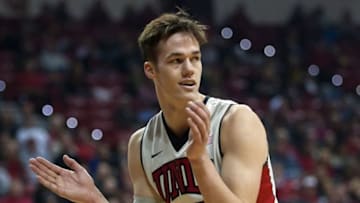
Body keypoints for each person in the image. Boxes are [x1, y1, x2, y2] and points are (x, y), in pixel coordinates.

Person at [29, 9, 278, 203]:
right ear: (151, 70)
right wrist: (95, 198)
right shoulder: (141, 145)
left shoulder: (235, 121)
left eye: (195, 58)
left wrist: (199, 161)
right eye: (176, 60)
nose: (189, 69)